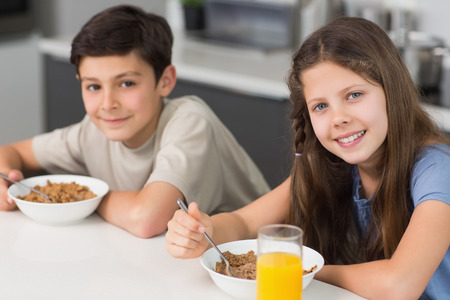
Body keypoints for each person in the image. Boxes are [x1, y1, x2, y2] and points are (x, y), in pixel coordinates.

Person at [165, 17, 450, 299]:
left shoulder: (437, 168)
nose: (339, 118)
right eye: (321, 106)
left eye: (354, 95)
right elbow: (243, 223)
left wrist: (301, 270)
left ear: (392, 91)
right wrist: (205, 230)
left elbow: (398, 286)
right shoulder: (331, 162)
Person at [0, 5, 270, 238]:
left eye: (126, 83)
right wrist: (5, 180)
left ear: (165, 81)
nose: (108, 104)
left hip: (256, 267)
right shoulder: (92, 130)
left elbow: (146, 219)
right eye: (93, 87)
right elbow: (10, 152)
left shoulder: (189, 120)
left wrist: (79, 196)